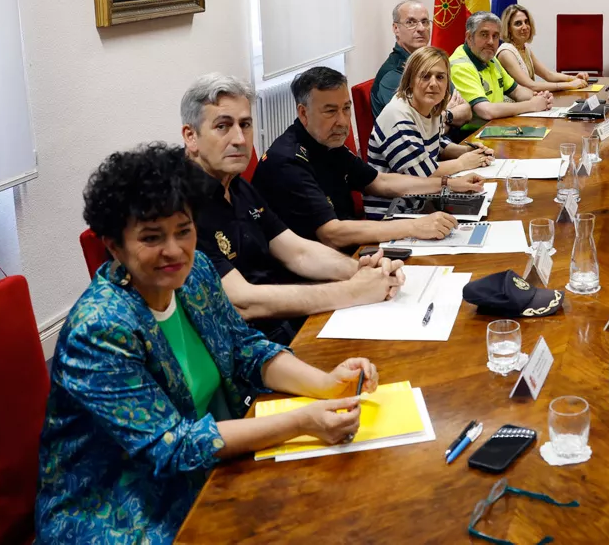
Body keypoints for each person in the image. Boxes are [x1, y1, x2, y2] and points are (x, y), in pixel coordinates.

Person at [36, 144, 388, 544]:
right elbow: (171, 446)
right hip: (122, 507)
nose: (174, 251)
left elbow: (245, 349)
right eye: (152, 238)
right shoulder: (99, 330)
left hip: (212, 465)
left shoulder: (196, 271)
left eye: (183, 230)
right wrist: (303, 422)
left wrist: (326, 383)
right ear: (114, 245)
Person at [181, 74, 407, 345]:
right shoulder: (180, 208)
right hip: (248, 349)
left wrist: (361, 270)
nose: (240, 139)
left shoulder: (238, 186)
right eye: (223, 126)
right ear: (190, 136)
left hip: (285, 324)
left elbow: (297, 252)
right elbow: (243, 302)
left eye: (246, 124)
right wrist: (353, 290)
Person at [252, 66, 485, 250]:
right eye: (331, 111)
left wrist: (448, 184)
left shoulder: (327, 142)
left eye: (346, 108)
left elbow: (380, 182)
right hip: (312, 270)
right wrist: (414, 226)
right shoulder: (288, 162)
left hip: (347, 248)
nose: (343, 121)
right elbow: (332, 234)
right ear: (303, 113)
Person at [365, 46, 497, 218]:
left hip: (424, 202)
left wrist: (467, 151)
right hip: (393, 214)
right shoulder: (397, 115)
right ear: (410, 81)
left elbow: (434, 143)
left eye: (440, 77)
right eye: (425, 76)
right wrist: (463, 163)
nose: (433, 83)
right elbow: (423, 173)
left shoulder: (429, 107)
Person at [449, 11, 553, 132]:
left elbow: (517, 91)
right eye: (484, 34)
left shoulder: (491, 59)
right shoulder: (460, 65)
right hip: (471, 136)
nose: (490, 42)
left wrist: (540, 98)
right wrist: (532, 105)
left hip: (495, 128)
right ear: (469, 37)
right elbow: (486, 111)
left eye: (495, 36)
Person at [372, 0, 471, 125]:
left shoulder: (433, 63)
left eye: (425, 22)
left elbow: (466, 110)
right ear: (396, 28)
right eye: (411, 22)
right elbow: (419, 126)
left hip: (447, 140)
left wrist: (443, 116)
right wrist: (448, 116)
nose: (421, 28)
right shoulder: (393, 75)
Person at [497, 3, 590, 93]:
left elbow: (548, 75)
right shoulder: (506, 52)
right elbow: (531, 86)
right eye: (518, 23)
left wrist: (574, 78)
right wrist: (569, 85)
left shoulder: (524, 48)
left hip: (529, 102)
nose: (524, 27)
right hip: (513, 106)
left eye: (526, 22)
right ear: (508, 28)